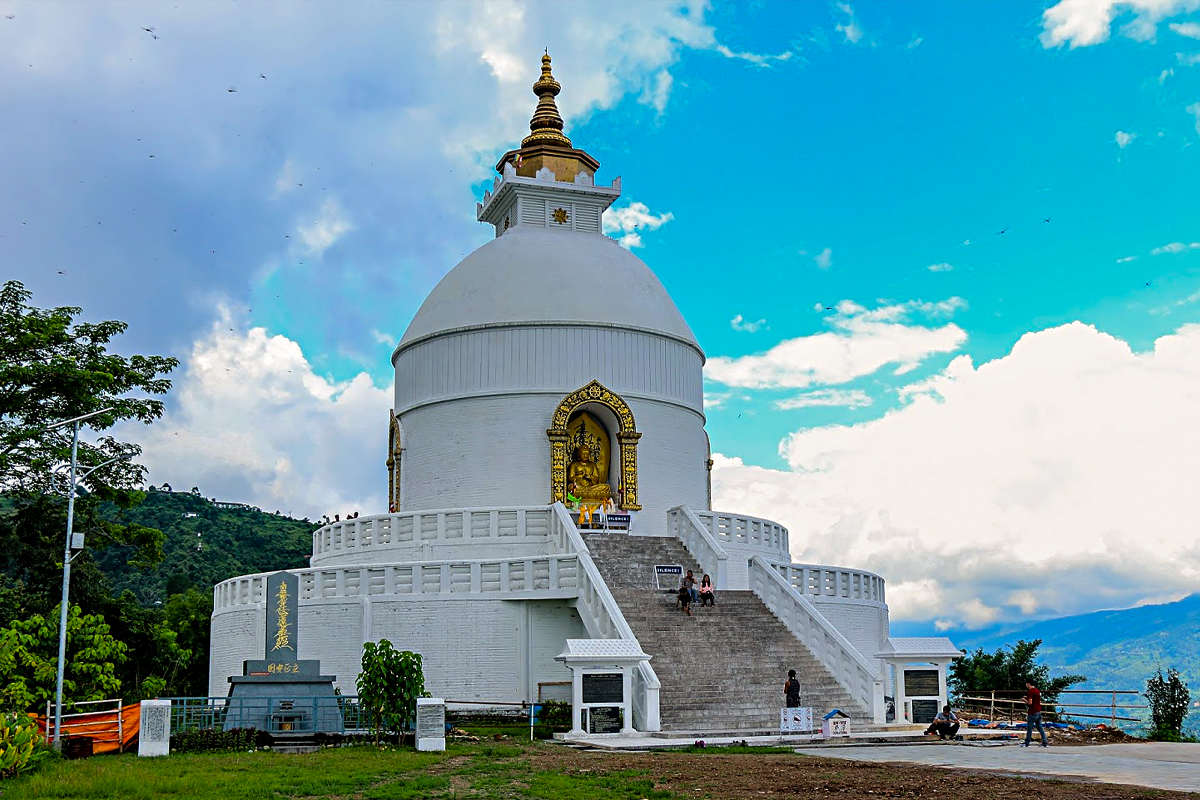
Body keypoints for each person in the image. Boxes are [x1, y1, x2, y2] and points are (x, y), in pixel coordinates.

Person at [1022, 681, 1048, 747]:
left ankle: (1027, 742)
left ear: (1028, 684)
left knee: (1029, 727)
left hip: (1032, 711)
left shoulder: (1030, 691)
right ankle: (1045, 742)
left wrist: (1024, 700)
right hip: (1038, 710)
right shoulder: (1037, 691)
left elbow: (1030, 703)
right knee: (1040, 727)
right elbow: (1036, 699)